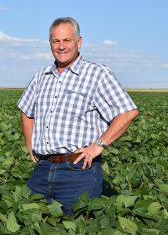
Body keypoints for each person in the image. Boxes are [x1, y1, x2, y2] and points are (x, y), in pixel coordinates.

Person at [17, 17, 139, 215]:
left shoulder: (96, 73)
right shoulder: (42, 76)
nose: (61, 46)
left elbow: (127, 112)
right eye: (56, 41)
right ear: (50, 44)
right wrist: (30, 145)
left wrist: (98, 145)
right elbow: (26, 111)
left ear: (78, 42)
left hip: (78, 170)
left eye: (67, 40)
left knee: (78, 226)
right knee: (30, 221)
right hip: (43, 169)